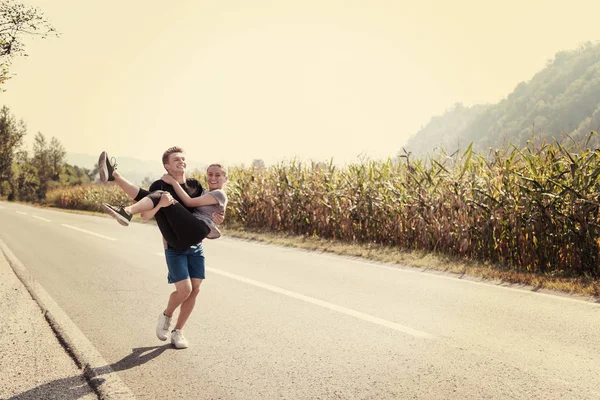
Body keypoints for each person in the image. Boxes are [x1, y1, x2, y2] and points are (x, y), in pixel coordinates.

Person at [98, 147, 225, 349]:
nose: (181, 161)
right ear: (166, 165)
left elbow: (206, 207)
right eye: (176, 159)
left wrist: (219, 215)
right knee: (184, 290)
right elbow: (146, 214)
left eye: (183, 158)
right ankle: (167, 316)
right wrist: (161, 205)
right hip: (174, 244)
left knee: (195, 290)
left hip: (194, 243)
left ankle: (178, 331)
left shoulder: (194, 185)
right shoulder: (160, 185)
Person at [101, 164, 228, 247]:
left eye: (217, 175)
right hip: (180, 238)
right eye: (210, 174)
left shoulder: (219, 194)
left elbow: (189, 202)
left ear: (225, 178)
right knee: (152, 197)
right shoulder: (205, 192)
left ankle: (127, 211)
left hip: (197, 229)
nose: (213, 178)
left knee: (162, 195)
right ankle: (115, 176)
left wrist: (172, 182)